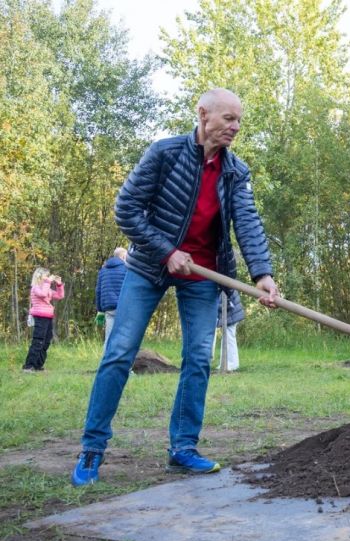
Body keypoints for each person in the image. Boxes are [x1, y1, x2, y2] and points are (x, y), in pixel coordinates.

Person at [71, 88, 279, 486]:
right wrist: (167, 252)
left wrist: (262, 275)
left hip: (203, 272)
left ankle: (183, 449)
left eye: (238, 121)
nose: (235, 127)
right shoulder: (164, 153)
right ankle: (92, 449)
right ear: (203, 114)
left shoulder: (236, 171)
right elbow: (126, 209)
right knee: (119, 352)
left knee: (198, 359)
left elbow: (248, 223)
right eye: (228, 119)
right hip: (150, 265)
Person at [22, 267, 64, 372]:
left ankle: (38, 366)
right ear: (39, 276)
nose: (48, 277)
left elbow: (60, 296)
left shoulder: (46, 287)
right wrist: (48, 281)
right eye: (46, 275)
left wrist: (59, 284)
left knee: (46, 342)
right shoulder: (35, 288)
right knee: (38, 341)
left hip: (48, 317)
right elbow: (43, 294)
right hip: (40, 316)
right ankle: (28, 366)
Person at [95, 247, 128, 348]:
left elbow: (98, 290)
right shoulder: (127, 268)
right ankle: (122, 362)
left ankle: (105, 362)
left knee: (108, 338)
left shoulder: (103, 270)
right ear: (123, 256)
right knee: (124, 338)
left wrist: (100, 310)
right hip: (124, 307)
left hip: (108, 308)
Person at [214, 290, 244, 371]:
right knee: (227, 338)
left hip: (232, 316)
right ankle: (224, 363)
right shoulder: (222, 287)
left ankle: (232, 364)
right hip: (230, 316)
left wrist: (214, 306)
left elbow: (228, 305)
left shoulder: (225, 288)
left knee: (229, 339)